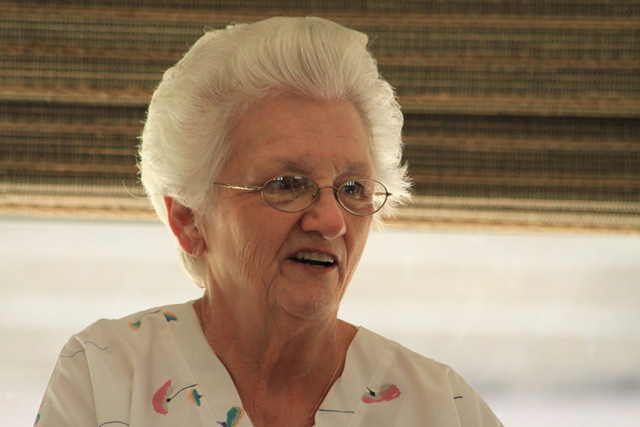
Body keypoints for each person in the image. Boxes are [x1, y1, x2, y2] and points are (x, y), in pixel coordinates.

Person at [36, 17, 502, 426]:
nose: (331, 221)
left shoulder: (443, 408)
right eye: (286, 184)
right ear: (189, 219)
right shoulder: (106, 375)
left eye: (353, 188)